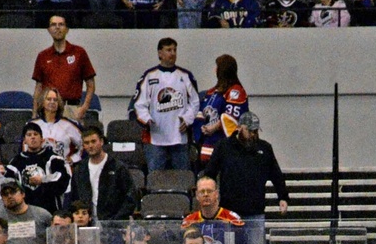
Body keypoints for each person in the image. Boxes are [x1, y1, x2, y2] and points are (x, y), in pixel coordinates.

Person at [203, 113, 289, 244]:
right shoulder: (223, 147)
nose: (253, 134)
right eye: (250, 130)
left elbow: (276, 174)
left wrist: (282, 197)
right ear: (239, 128)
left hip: (255, 211)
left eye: (256, 131)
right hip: (228, 212)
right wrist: (208, 196)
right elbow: (210, 173)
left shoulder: (265, 148)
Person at [133, 36, 198, 172]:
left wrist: (187, 119)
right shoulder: (149, 76)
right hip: (155, 139)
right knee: (155, 178)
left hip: (180, 138)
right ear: (160, 53)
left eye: (175, 50)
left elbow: (195, 103)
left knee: (182, 178)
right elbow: (139, 104)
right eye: (169, 50)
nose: (173, 53)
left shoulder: (186, 76)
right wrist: (147, 120)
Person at [66, 122, 137, 222]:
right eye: (87, 143)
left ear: (101, 141)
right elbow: (74, 198)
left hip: (113, 224)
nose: (90, 145)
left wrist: (116, 220)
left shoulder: (118, 167)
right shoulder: (79, 169)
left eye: (93, 141)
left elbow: (130, 198)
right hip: (87, 224)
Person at [30, 14, 96, 122]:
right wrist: (34, 113)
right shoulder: (43, 56)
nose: (57, 27)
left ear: (67, 29)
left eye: (61, 24)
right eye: (53, 25)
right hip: (48, 109)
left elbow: (91, 84)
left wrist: (84, 107)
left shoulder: (79, 53)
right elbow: (38, 87)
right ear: (49, 30)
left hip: (72, 108)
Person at [196, 55, 250, 167]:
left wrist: (214, 127)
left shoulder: (236, 91)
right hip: (207, 145)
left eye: (217, 67)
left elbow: (232, 118)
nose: (214, 70)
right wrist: (201, 127)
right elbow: (200, 112)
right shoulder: (211, 93)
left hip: (226, 146)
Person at [6, 119, 69, 214]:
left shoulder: (53, 158)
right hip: (24, 212)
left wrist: (43, 180)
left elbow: (62, 179)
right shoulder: (15, 162)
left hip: (50, 210)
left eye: (35, 134)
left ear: (42, 139)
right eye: (29, 135)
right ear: (24, 140)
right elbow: (8, 185)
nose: (33, 137)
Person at [35, 86, 82, 166]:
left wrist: (74, 158)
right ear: (42, 102)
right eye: (49, 99)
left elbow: (84, 144)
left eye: (55, 100)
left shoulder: (69, 125)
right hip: (38, 170)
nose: (52, 102)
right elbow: (24, 148)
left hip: (62, 170)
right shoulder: (33, 125)